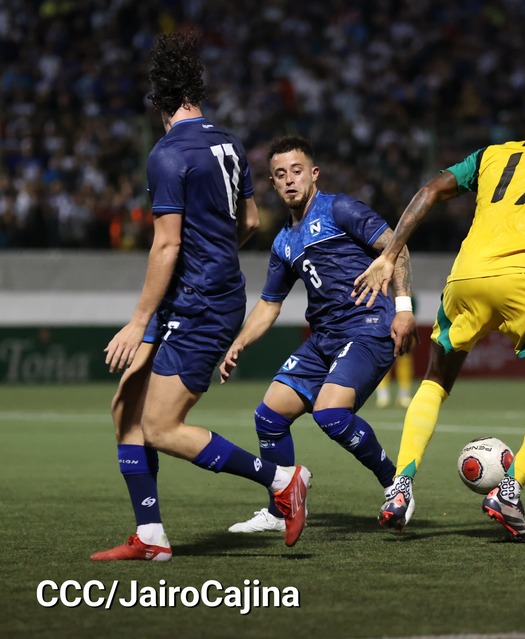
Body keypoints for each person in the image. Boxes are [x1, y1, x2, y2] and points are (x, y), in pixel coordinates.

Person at [353, 105, 525, 542]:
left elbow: (430, 190)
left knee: (436, 380)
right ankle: (509, 491)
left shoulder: (492, 154)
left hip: (466, 275)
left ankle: (400, 486)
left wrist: (389, 255)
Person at [91, 33, 311, 560]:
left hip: (199, 304)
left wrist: (137, 319)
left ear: (158, 104)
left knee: (160, 427)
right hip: (199, 293)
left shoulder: (167, 154)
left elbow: (166, 244)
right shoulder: (229, 143)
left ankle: (282, 479)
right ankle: (150, 536)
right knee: (126, 407)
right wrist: (210, 256)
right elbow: (251, 221)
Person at [220, 136, 418, 533]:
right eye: (280, 174)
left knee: (330, 414)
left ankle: (397, 485)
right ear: (273, 183)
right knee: (269, 417)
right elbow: (270, 303)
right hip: (325, 336)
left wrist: (403, 309)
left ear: (313, 174)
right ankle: (282, 511)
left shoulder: (339, 209)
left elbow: (396, 248)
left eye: (296, 171)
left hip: (367, 327)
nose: (289, 180)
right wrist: (239, 342)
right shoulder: (283, 242)